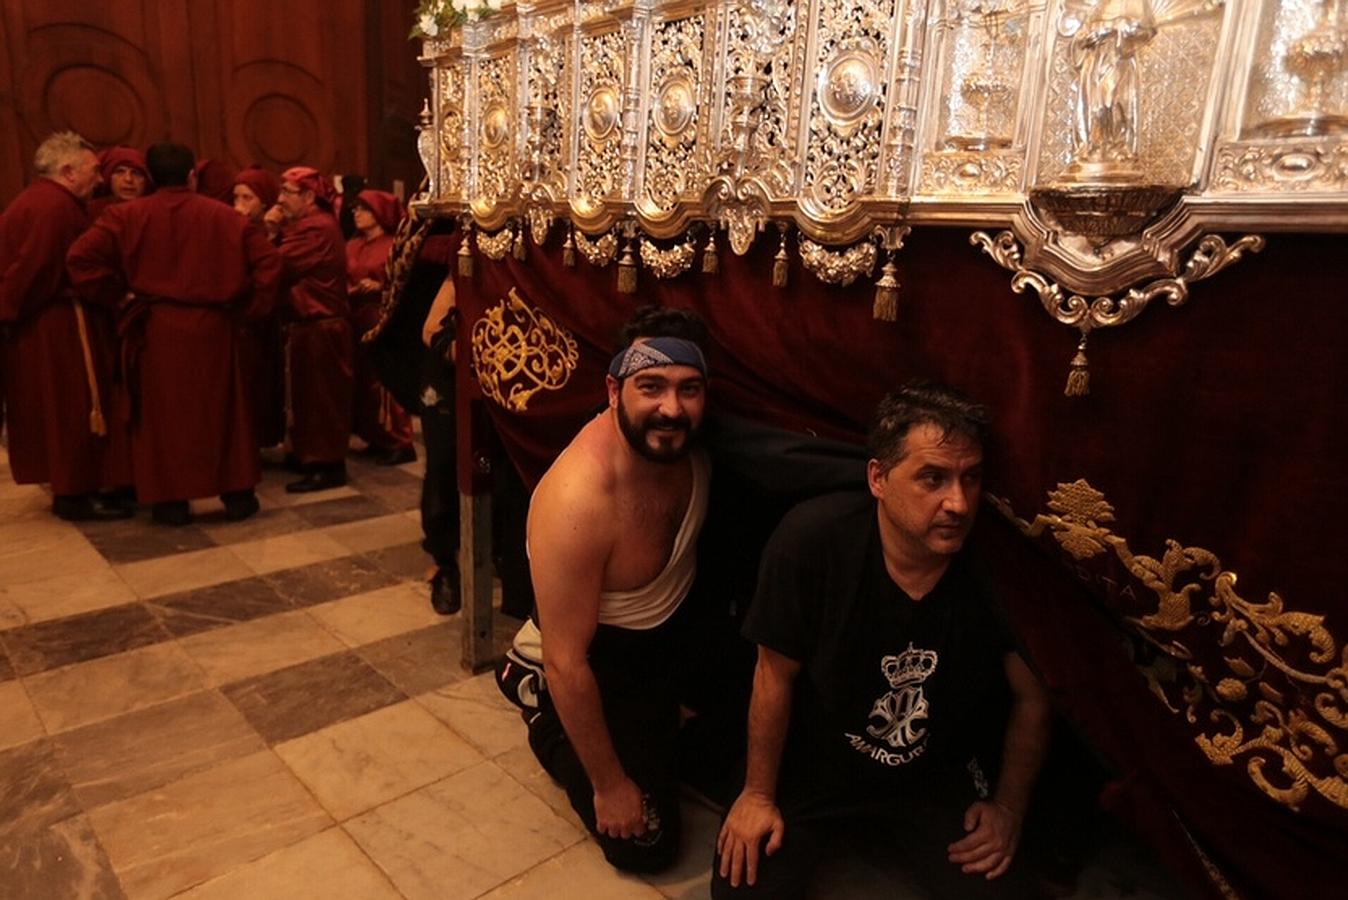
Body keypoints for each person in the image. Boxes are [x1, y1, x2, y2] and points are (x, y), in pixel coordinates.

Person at [714, 380, 1051, 899]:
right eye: (932, 479)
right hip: (814, 765)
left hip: (932, 773)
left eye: (971, 478)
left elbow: (1033, 696)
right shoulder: (812, 541)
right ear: (878, 477)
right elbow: (772, 674)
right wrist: (757, 794)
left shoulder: (996, 570)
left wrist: (1007, 808)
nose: (958, 503)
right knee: (744, 887)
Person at [505, 307, 712, 873]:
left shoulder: (690, 448)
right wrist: (609, 784)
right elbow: (566, 659)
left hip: (664, 647)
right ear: (613, 390)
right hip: (593, 663)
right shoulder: (579, 499)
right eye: (651, 387)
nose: (671, 408)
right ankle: (545, 724)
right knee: (645, 843)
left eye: (688, 389)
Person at [67, 142, 282, 526]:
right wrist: (252, 311)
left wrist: (117, 296)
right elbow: (269, 264)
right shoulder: (226, 217)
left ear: (149, 176)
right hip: (215, 328)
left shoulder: (125, 216)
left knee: (164, 418)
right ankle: (236, 495)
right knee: (223, 413)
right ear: (191, 175)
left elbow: (79, 259)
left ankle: (170, 501)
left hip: (157, 329)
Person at [0, 131, 131, 521]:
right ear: (68, 171)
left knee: (65, 406)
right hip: (56, 325)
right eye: (93, 171)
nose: (100, 179)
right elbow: (35, 269)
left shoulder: (44, 201)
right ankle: (74, 493)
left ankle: (76, 487)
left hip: (46, 321)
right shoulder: (53, 208)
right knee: (71, 406)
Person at [275, 165, 353, 493]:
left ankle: (326, 464)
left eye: (286, 193)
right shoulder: (308, 225)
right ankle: (310, 456)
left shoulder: (314, 229)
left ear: (308, 196)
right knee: (308, 398)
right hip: (311, 326)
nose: (279, 200)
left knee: (320, 400)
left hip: (321, 326)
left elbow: (278, 264)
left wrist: (264, 227)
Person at [347, 189, 415, 465]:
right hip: (355, 318)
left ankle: (398, 439)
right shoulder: (352, 245)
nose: (357, 213)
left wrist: (379, 286)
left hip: (381, 316)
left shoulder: (392, 245)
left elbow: (403, 280)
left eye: (364, 209)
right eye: (356, 208)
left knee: (383, 382)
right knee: (362, 381)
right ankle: (374, 436)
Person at [232, 166, 286, 450]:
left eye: (247, 198)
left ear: (264, 202)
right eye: (236, 198)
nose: (239, 206)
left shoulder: (266, 234)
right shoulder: (235, 230)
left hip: (260, 319)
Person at [87, 146, 151, 218]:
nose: (128, 179)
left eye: (136, 173)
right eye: (120, 171)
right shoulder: (90, 211)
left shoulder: (153, 212)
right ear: (108, 177)